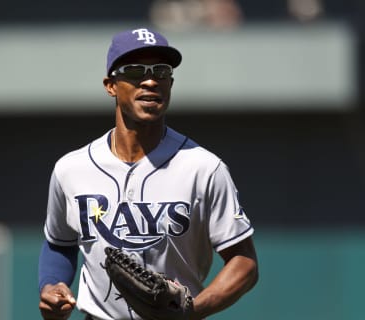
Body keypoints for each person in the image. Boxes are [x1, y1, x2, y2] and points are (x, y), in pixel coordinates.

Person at [38, 27, 258, 320]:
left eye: (161, 71)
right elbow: (59, 243)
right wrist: (53, 285)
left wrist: (192, 311)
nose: (151, 80)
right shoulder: (72, 169)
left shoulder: (203, 168)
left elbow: (244, 263)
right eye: (135, 71)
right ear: (111, 85)